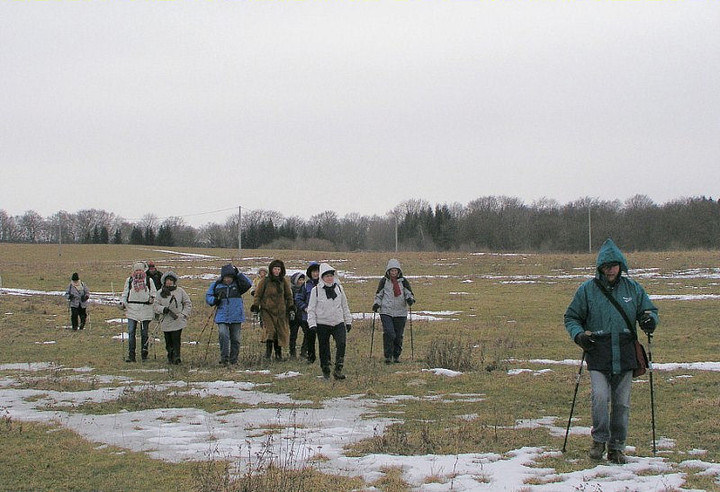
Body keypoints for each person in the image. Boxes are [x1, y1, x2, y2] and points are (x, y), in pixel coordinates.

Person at [564, 238, 658, 464]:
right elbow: (572, 317)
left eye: (614, 265)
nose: (611, 269)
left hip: (625, 353)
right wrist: (579, 336)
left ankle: (617, 448)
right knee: (599, 398)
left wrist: (649, 320)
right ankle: (599, 440)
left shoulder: (633, 288)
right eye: (606, 265)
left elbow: (649, 310)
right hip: (598, 352)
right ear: (600, 267)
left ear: (621, 265)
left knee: (622, 404)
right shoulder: (587, 290)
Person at [307, 263, 352, 380]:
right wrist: (312, 324)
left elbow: (344, 305)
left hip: (338, 322)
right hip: (322, 323)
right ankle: (325, 370)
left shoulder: (339, 288)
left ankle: (338, 369)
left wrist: (348, 321)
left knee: (341, 344)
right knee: (324, 348)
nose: (329, 278)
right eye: (326, 276)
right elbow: (311, 309)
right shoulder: (315, 290)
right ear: (322, 277)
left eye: (331, 275)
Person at [205, 264, 252, 366]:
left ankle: (234, 360)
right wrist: (215, 300)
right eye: (226, 277)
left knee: (235, 339)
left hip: (236, 316)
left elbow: (248, 284)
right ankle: (224, 359)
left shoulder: (238, 285)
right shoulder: (216, 285)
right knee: (223, 335)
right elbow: (208, 297)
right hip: (222, 316)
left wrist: (239, 273)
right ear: (223, 277)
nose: (228, 280)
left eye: (230, 277)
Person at [372, 259, 415, 364]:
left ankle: (396, 356)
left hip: (401, 312)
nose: (393, 273)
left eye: (395, 271)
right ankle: (388, 356)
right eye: (392, 271)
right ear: (388, 271)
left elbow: (408, 293)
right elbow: (379, 294)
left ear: (399, 271)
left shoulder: (404, 281)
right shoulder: (384, 281)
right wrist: (377, 304)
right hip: (386, 311)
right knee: (389, 333)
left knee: (398, 335)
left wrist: (410, 299)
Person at [251, 259, 294, 361]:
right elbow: (258, 295)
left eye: (278, 269)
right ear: (271, 269)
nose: (276, 271)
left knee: (279, 332)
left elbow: (288, 296)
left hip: (281, 312)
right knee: (270, 331)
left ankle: (278, 355)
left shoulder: (283, 282)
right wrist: (256, 307)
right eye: (275, 269)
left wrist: (291, 307)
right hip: (267, 311)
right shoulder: (265, 281)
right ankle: (268, 355)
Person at [121, 261, 158, 362]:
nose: (138, 272)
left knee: (144, 333)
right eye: (136, 270)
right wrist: (122, 303)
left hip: (145, 309)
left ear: (143, 270)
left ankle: (144, 354)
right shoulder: (129, 281)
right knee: (131, 332)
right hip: (132, 309)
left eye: (140, 270)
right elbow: (125, 293)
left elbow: (154, 293)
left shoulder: (149, 281)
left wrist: (152, 299)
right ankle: (131, 355)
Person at [154, 271, 192, 364]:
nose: (169, 282)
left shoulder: (180, 291)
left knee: (176, 339)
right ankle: (170, 356)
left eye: (171, 280)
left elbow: (187, 303)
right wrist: (163, 309)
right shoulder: (159, 293)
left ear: (174, 281)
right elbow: (155, 306)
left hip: (177, 320)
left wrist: (183, 314)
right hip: (165, 320)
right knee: (168, 340)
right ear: (164, 281)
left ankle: (177, 357)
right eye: (167, 280)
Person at [295, 262, 320, 364]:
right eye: (314, 272)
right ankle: (310, 356)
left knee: (323, 338)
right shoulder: (305, 285)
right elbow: (298, 299)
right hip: (308, 316)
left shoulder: (324, 284)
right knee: (310, 337)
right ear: (310, 273)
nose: (316, 274)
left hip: (322, 316)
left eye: (317, 271)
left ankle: (325, 357)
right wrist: (304, 308)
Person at [289, 272, 306, 359]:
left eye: (303, 279)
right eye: (300, 280)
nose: (302, 281)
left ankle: (304, 352)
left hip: (303, 315)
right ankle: (292, 353)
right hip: (293, 316)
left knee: (307, 334)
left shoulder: (305, 290)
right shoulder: (290, 290)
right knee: (293, 335)